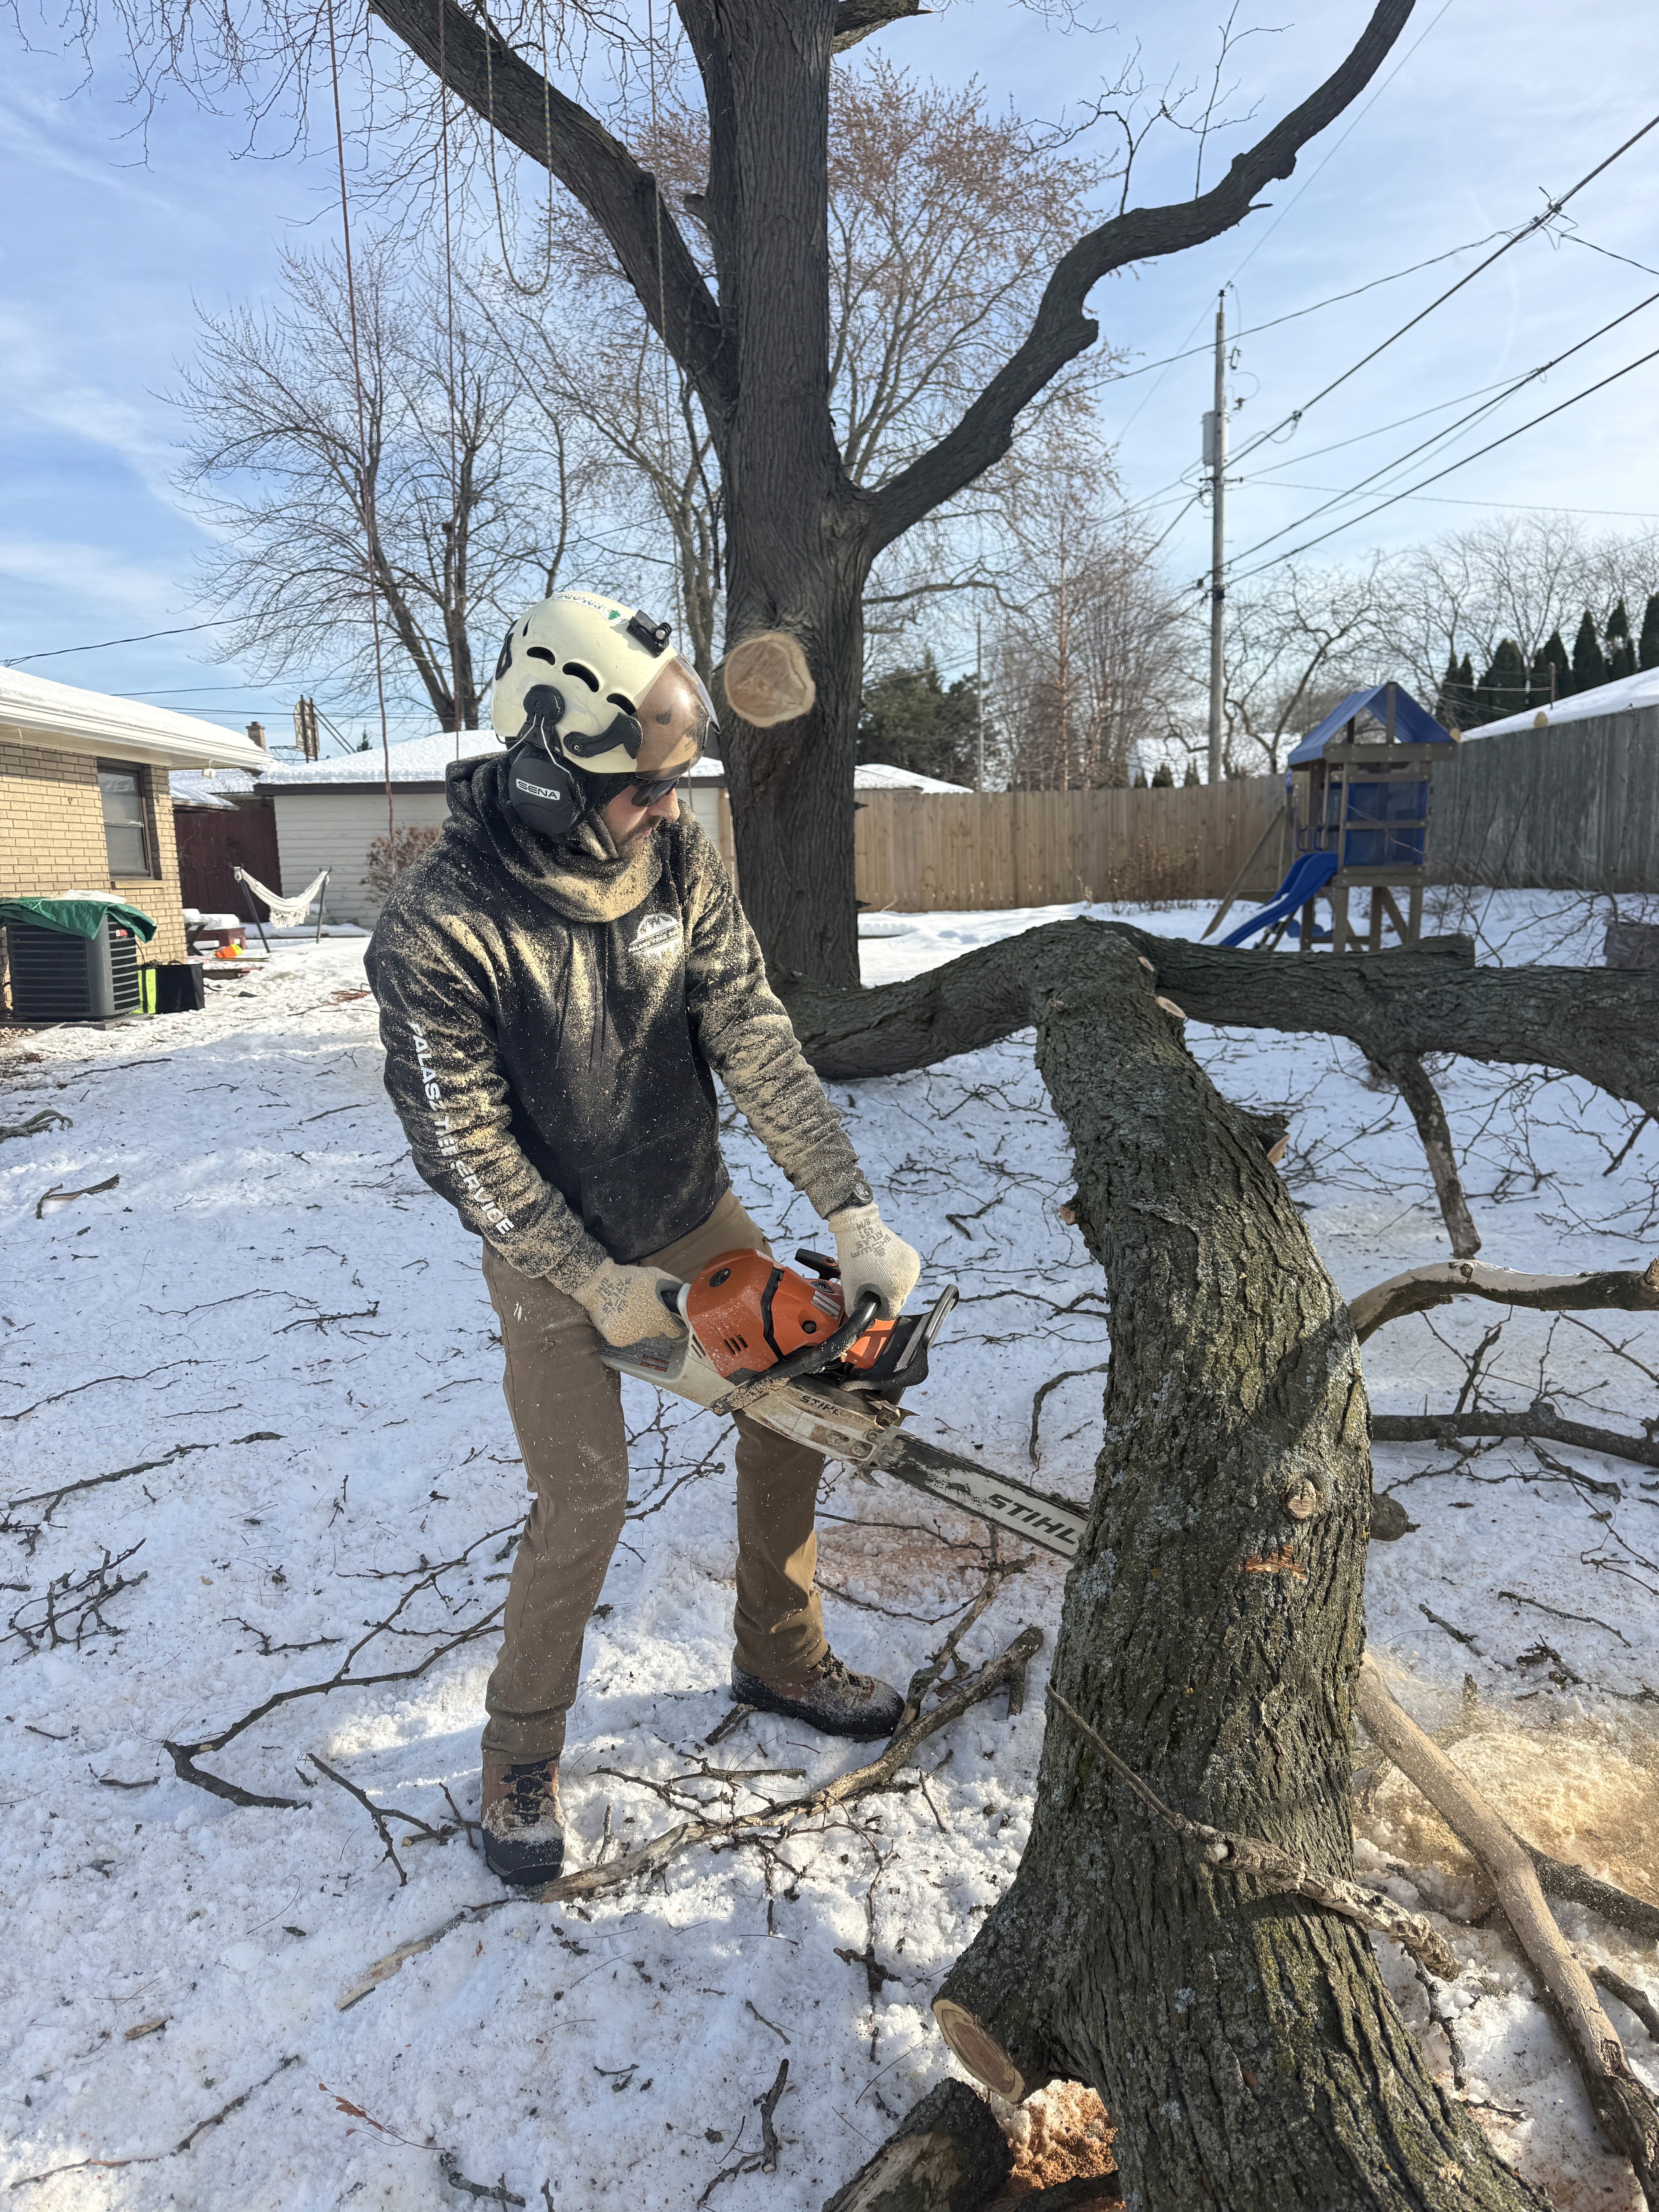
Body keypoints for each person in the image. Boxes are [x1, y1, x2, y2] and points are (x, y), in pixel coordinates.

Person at [365, 588, 921, 1886]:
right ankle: (519, 1747)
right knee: (585, 1498)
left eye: (678, 783)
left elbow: (752, 1031)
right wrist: (584, 1279)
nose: (672, 807)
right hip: (548, 1244)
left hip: (686, 1205)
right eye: (646, 786)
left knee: (801, 1404)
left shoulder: (674, 857)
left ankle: (778, 1652)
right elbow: (461, 1143)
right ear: (553, 770)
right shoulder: (440, 925)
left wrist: (849, 1207)